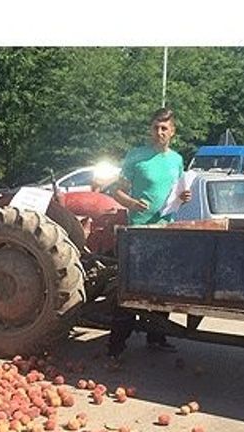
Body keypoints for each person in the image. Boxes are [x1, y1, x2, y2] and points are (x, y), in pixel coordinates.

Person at [104, 107, 192, 358]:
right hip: (138, 232)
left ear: (172, 132)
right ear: (149, 129)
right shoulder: (136, 156)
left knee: (162, 288)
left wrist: (184, 197)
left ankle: (157, 337)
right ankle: (115, 347)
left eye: (164, 128)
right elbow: (116, 192)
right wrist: (131, 203)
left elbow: (178, 192)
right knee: (131, 290)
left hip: (166, 229)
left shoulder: (176, 160)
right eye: (155, 127)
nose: (159, 132)